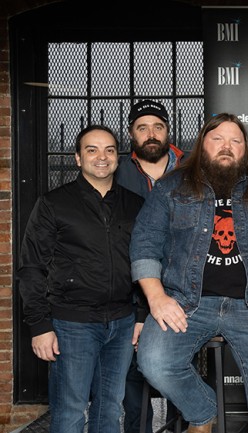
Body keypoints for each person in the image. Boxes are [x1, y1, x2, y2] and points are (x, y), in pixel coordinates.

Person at [131, 113, 248, 433]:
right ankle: (204, 413)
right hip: (187, 301)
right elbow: (144, 244)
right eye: (218, 139)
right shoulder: (171, 187)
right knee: (154, 362)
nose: (226, 147)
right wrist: (157, 297)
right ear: (202, 144)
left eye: (235, 141)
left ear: (245, 149)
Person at [18, 125, 145, 433]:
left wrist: (141, 314)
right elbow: (31, 266)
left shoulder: (136, 205)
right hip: (72, 324)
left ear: (118, 158)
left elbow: (147, 262)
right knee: (70, 410)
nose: (101, 157)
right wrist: (40, 326)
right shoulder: (53, 204)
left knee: (110, 407)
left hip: (122, 322)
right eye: (92, 150)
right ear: (77, 158)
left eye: (109, 150)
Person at [116, 99, 186, 433]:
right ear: (131, 133)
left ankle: (178, 425)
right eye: (142, 127)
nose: (151, 134)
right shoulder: (117, 171)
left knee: (180, 361)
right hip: (132, 283)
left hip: (181, 282)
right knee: (133, 366)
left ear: (167, 131)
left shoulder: (190, 168)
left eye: (158, 126)